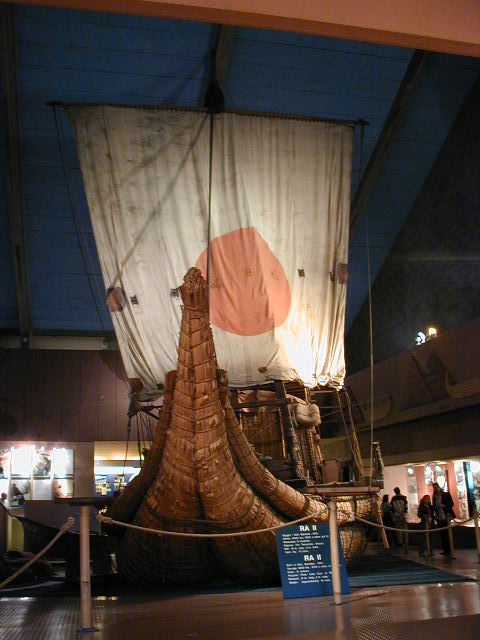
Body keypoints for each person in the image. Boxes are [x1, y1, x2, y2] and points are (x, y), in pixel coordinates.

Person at [432, 482, 455, 555]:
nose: (436, 489)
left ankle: (449, 549)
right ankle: (445, 549)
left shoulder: (446, 494)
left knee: (447, 533)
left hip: (446, 515)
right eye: (434, 488)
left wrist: (443, 505)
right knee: (442, 533)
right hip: (439, 517)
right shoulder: (434, 497)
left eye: (436, 487)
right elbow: (434, 506)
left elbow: (451, 504)